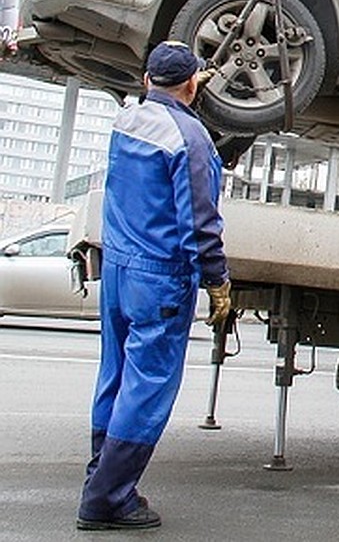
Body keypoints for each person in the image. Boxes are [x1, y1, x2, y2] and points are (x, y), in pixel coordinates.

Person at [77, 41, 232, 531]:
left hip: (120, 269)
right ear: (190, 84)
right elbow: (200, 223)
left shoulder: (127, 120)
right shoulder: (193, 140)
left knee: (116, 376)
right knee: (146, 389)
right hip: (159, 279)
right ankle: (107, 499)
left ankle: (100, 475)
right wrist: (218, 282)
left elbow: (157, 102)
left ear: (147, 81)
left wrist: (181, 90)